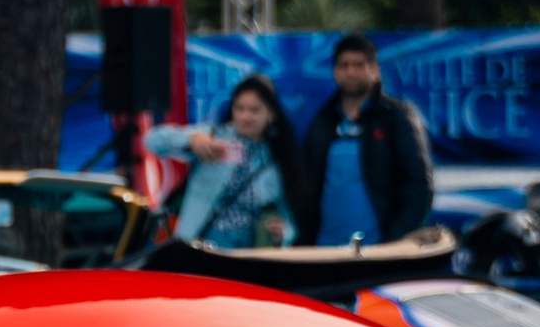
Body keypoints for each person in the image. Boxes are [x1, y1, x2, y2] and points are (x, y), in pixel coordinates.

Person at [300, 31, 434, 247]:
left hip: (377, 250)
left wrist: (395, 242)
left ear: (375, 71)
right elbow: (306, 186)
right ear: (335, 72)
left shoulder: (397, 117)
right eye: (344, 65)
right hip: (324, 249)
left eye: (359, 65)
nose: (351, 71)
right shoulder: (322, 120)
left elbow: (419, 186)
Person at [171, 73, 301, 249]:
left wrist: (285, 233)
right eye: (240, 108)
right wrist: (191, 140)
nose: (246, 116)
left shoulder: (277, 158)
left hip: (246, 256)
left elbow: (290, 220)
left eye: (255, 110)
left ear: (271, 114)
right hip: (198, 248)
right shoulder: (214, 137)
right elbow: (152, 140)